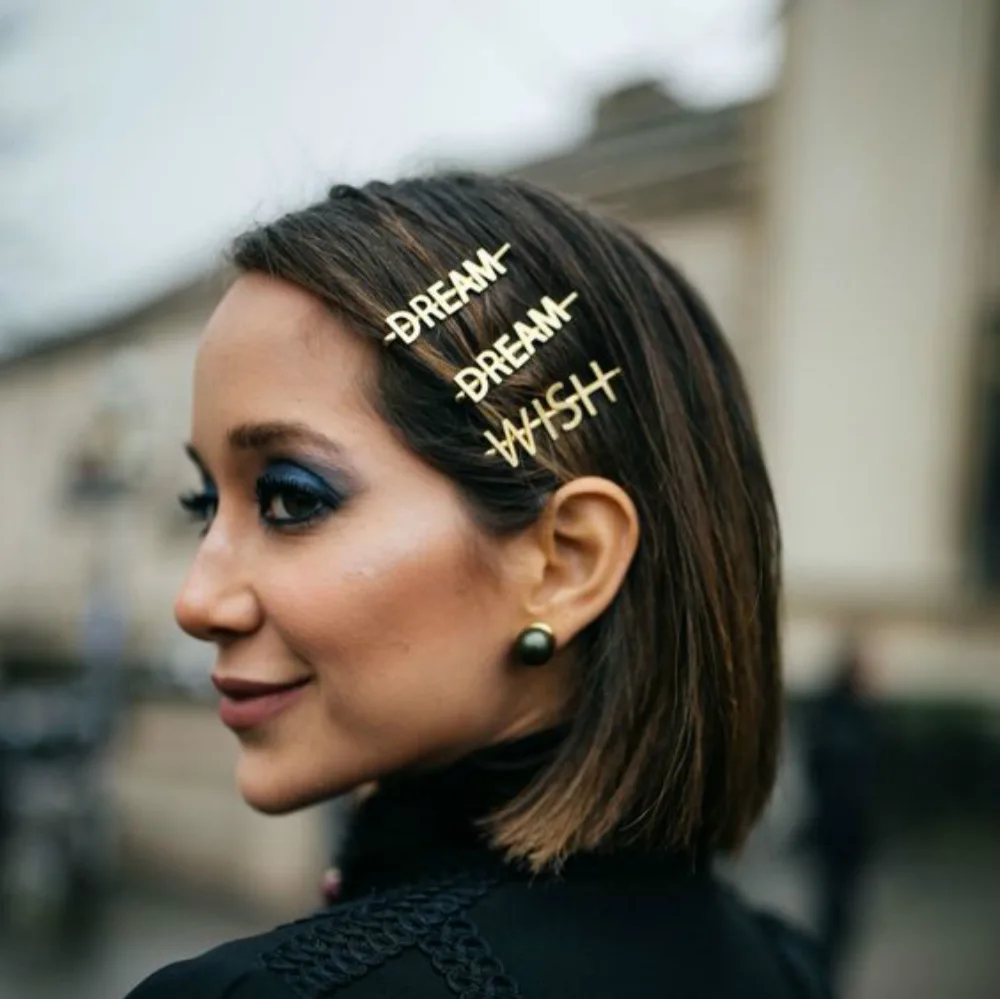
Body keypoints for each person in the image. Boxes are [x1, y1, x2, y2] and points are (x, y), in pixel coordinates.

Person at [125, 173, 828, 998]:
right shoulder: (784, 967)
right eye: (204, 504)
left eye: (290, 498)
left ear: (565, 565)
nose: (197, 601)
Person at [799, 636, 879, 988]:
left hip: (843, 829)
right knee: (835, 908)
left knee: (838, 909)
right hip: (841, 828)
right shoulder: (849, 719)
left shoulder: (843, 716)